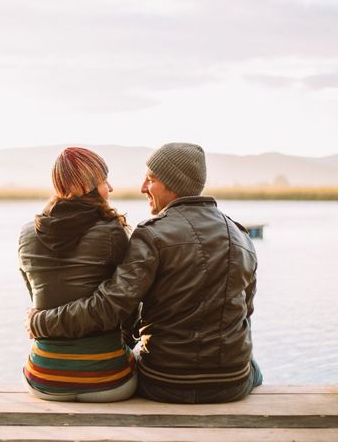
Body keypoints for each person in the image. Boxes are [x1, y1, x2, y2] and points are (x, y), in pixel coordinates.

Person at [26, 142, 262, 404]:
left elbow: (112, 306)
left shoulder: (151, 234)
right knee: (254, 368)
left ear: (172, 185)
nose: (142, 187)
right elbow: (245, 313)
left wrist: (42, 322)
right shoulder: (241, 236)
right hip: (232, 383)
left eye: (150, 179)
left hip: (164, 381)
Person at [19, 147, 138, 402]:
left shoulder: (27, 233)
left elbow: (37, 300)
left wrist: (39, 322)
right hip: (108, 380)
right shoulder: (112, 232)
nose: (111, 188)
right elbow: (125, 307)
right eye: (105, 180)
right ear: (88, 185)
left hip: (43, 377)